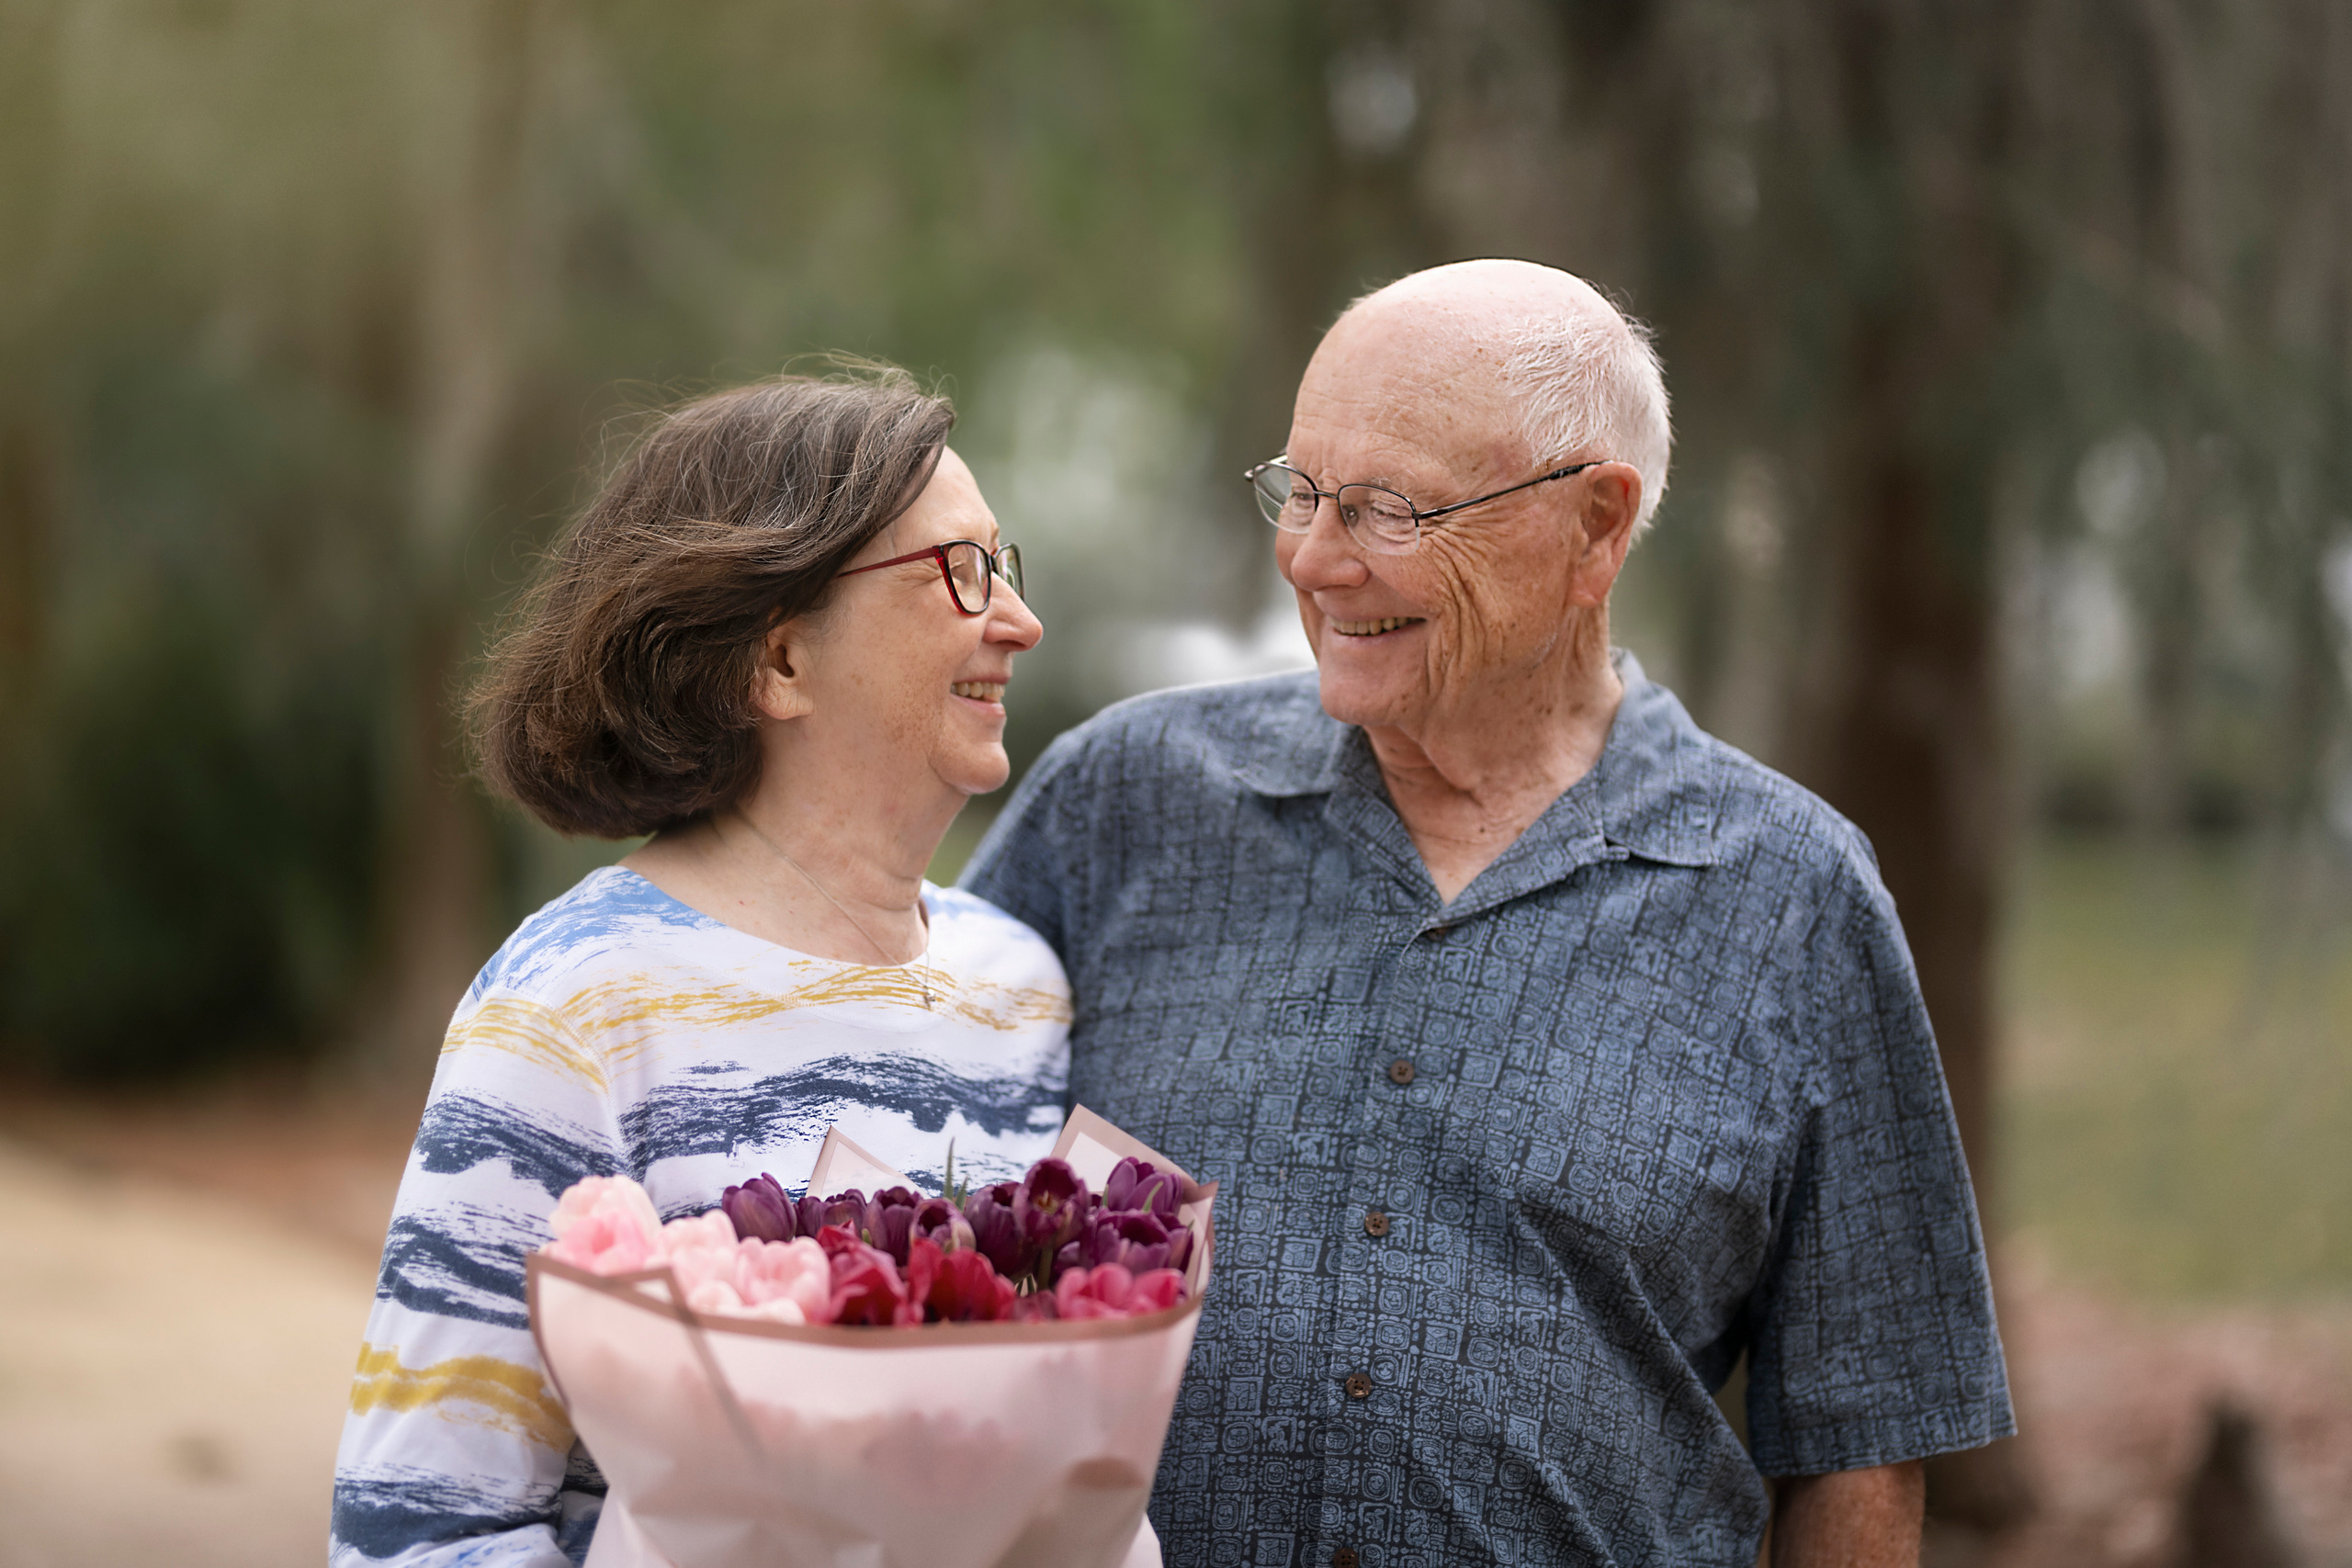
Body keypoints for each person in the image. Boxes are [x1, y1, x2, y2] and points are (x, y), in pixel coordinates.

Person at [964, 260, 2014, 1566]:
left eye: (1388, 508)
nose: (1313, 558)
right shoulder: (1123, 802)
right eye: (1300, 491)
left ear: (1594, 527)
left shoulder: (1792, 895)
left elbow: (1863, 1440)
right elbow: (901, 1176)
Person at [332, 367, 1064, 1566]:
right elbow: (415, 1533)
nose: (1020, 622)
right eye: (959, 571)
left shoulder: (1021, 986)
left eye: (1004, 565)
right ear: (779, 660)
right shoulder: (572, 1004)